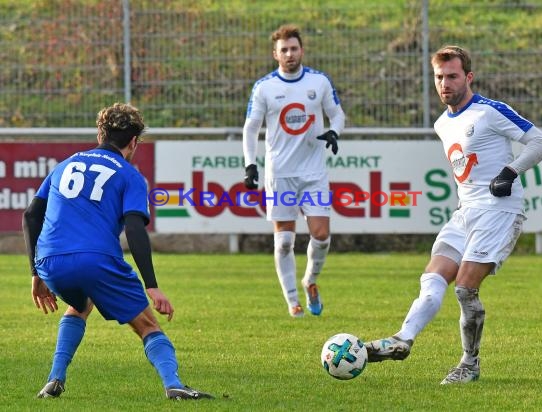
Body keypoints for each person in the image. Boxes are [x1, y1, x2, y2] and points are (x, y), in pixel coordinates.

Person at [365, 45, 542, 384]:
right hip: (465, 213)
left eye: (452, 76)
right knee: (432, 278)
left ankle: (469, 364)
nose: (444, 84)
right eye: (439, 77)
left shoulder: (489, 111)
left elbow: (540, 141)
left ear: (468, 77)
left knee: (465, 288)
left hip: (499, 212)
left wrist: (510, 172)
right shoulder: (441, 123)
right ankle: (402, 339)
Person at [22, 103, 213, 400]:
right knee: (147, 325)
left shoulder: (66, 165)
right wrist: (152, 285)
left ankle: (54, 379)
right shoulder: (130, 175)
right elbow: (135, 229)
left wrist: (36, 272)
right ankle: (174, 384)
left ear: (101, 133)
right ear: (134, 142)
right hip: (96, 260)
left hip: (50, 261)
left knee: (83, 303)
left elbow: (31, 215)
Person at [242, 24, 345, 318]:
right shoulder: (265, 87)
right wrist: (251, 163)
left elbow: (337, 114)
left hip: (313, 172)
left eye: (294, 48)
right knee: (285, 241)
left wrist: (334, 132)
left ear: (302, 50)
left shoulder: (319, 82)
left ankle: (310, 280)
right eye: (284, 50)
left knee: (322, 235)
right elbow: (251, 129)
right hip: (281, 174)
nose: (289, 54)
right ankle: (292, 300)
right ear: (275, 54)